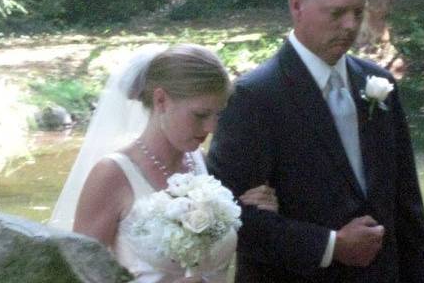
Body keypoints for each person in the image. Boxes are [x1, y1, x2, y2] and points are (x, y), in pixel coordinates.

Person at [207, 0, 424, 282]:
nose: (350, 26)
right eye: (336, 13)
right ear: (296, 5)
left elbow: (407, 210)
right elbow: (228, 218)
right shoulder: (255, 96)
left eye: (357, 13)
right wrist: (330, 245)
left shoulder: (379, 83)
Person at [49, 44, 278, 283]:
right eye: (200, 115)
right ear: (161, 100)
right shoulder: (112, 175)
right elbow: (76, 276)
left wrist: (246, 210)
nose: (212, 128)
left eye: (218, 114)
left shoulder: (200, 161)